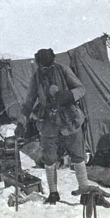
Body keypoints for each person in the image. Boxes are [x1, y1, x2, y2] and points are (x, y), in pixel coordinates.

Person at [20, 48, 89, 204]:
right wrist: (21, 121)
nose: (46, 69)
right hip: (48, 123)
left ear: (53, 61)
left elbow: (81, 89)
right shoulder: (36, 77)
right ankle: (53, 193)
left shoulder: (63, 70)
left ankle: (84, 189)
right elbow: (29, 101)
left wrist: (68, 95)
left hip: (69, 120)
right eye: (42, 67)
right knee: (49, 158)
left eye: (48, 65)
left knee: (78, 155)